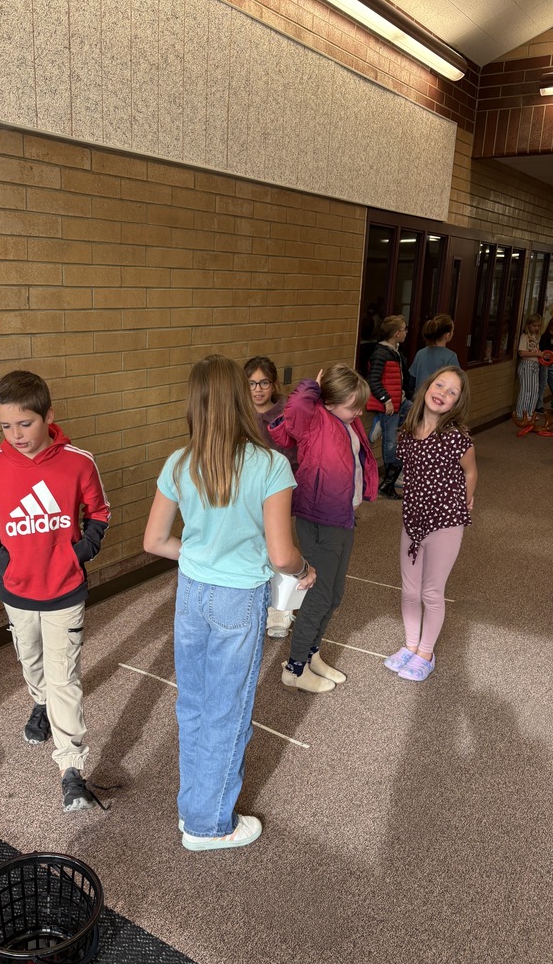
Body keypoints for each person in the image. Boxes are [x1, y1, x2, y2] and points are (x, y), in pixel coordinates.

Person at [143, 355, 315, 852]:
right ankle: (208, 824)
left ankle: (193, 806)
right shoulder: (270, 465)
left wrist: (198, 553)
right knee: (228, 710)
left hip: (192, 594)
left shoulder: (180, 461)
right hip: (239, 599)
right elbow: (282, 554)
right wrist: (304, 571)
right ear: (243, 398)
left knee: (194, 704)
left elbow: (155, 541)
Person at [0, 371, 110, 812]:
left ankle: (71, 768)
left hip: (64, 590)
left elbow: (99, 510)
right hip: (16, 589)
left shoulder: (78, 461)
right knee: (29, 659)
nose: (16, 435)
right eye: (6, 426)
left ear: (48, 416)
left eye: (25, 424)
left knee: (64, 676)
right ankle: (39, 704)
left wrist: (82, 550)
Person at [268, 364, 378, 692]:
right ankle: (295, 667)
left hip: (341, 517)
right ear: (328, 402)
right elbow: (297, 406)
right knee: (318, 596)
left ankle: (311, 653)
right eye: (353, 404)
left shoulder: (346, 421)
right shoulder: (315, 418)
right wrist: (312, 386)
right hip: (319, 519)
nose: (360, 411)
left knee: (334, 594)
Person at [383, 366, 477, 682]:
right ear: (427, 387)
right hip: (413, 519)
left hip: (446, 522)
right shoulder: (407, 434)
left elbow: (470, 472)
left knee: (431, 592)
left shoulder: (457, 439)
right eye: (440, 385)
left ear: (457, 403)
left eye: (453, 392)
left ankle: (426, 652)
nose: (443, 394)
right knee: (410, 588)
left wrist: (468, 499)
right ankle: (410, 645)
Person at [243, 355, 298, 639]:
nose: (258, 389)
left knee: (281, 550)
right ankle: (258, 605)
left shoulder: (285, 412)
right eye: (252, 383)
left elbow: (294, 452)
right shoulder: (239, 413)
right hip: (247, 494)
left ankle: (282, 610)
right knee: (254, 549)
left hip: (278, 491)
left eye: (263, 382)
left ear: (273, 383)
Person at [366, 315, 413, 498]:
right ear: (396, 333)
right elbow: (374, 381)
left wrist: (401, 393)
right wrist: (386, 400)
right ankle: (388, 483)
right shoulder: (380, 353)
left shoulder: (396, 351)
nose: (406, 332)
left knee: (416, 412)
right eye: (404, 329)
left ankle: (380, 422)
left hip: (398, 402)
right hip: (388, 405)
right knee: (390, 442)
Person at [409, 314, 459, 393]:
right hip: (438, 400)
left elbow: (411, 381)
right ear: (447, 335)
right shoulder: (451, 356)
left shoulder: (420, 353)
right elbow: (456, 384)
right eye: (452, 330)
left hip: (419, 399)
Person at [514, 314, 542, 424]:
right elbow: (522, 352)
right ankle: (521, 413)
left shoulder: (536, 338)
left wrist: (541, 355)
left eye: (539, 326)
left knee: (535, 391)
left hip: (535, 366)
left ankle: (530, 413)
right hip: (527, 365)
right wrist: (538, 354)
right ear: (529, 325)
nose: (536, 328)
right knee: (527, 391)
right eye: (534, 325)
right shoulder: (524, 336)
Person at [535, 314, 553, 413]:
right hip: (545, 362)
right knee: (543, 383)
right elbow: (543, 349)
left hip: (552, 362)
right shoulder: (545, 336)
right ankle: (539, 405)